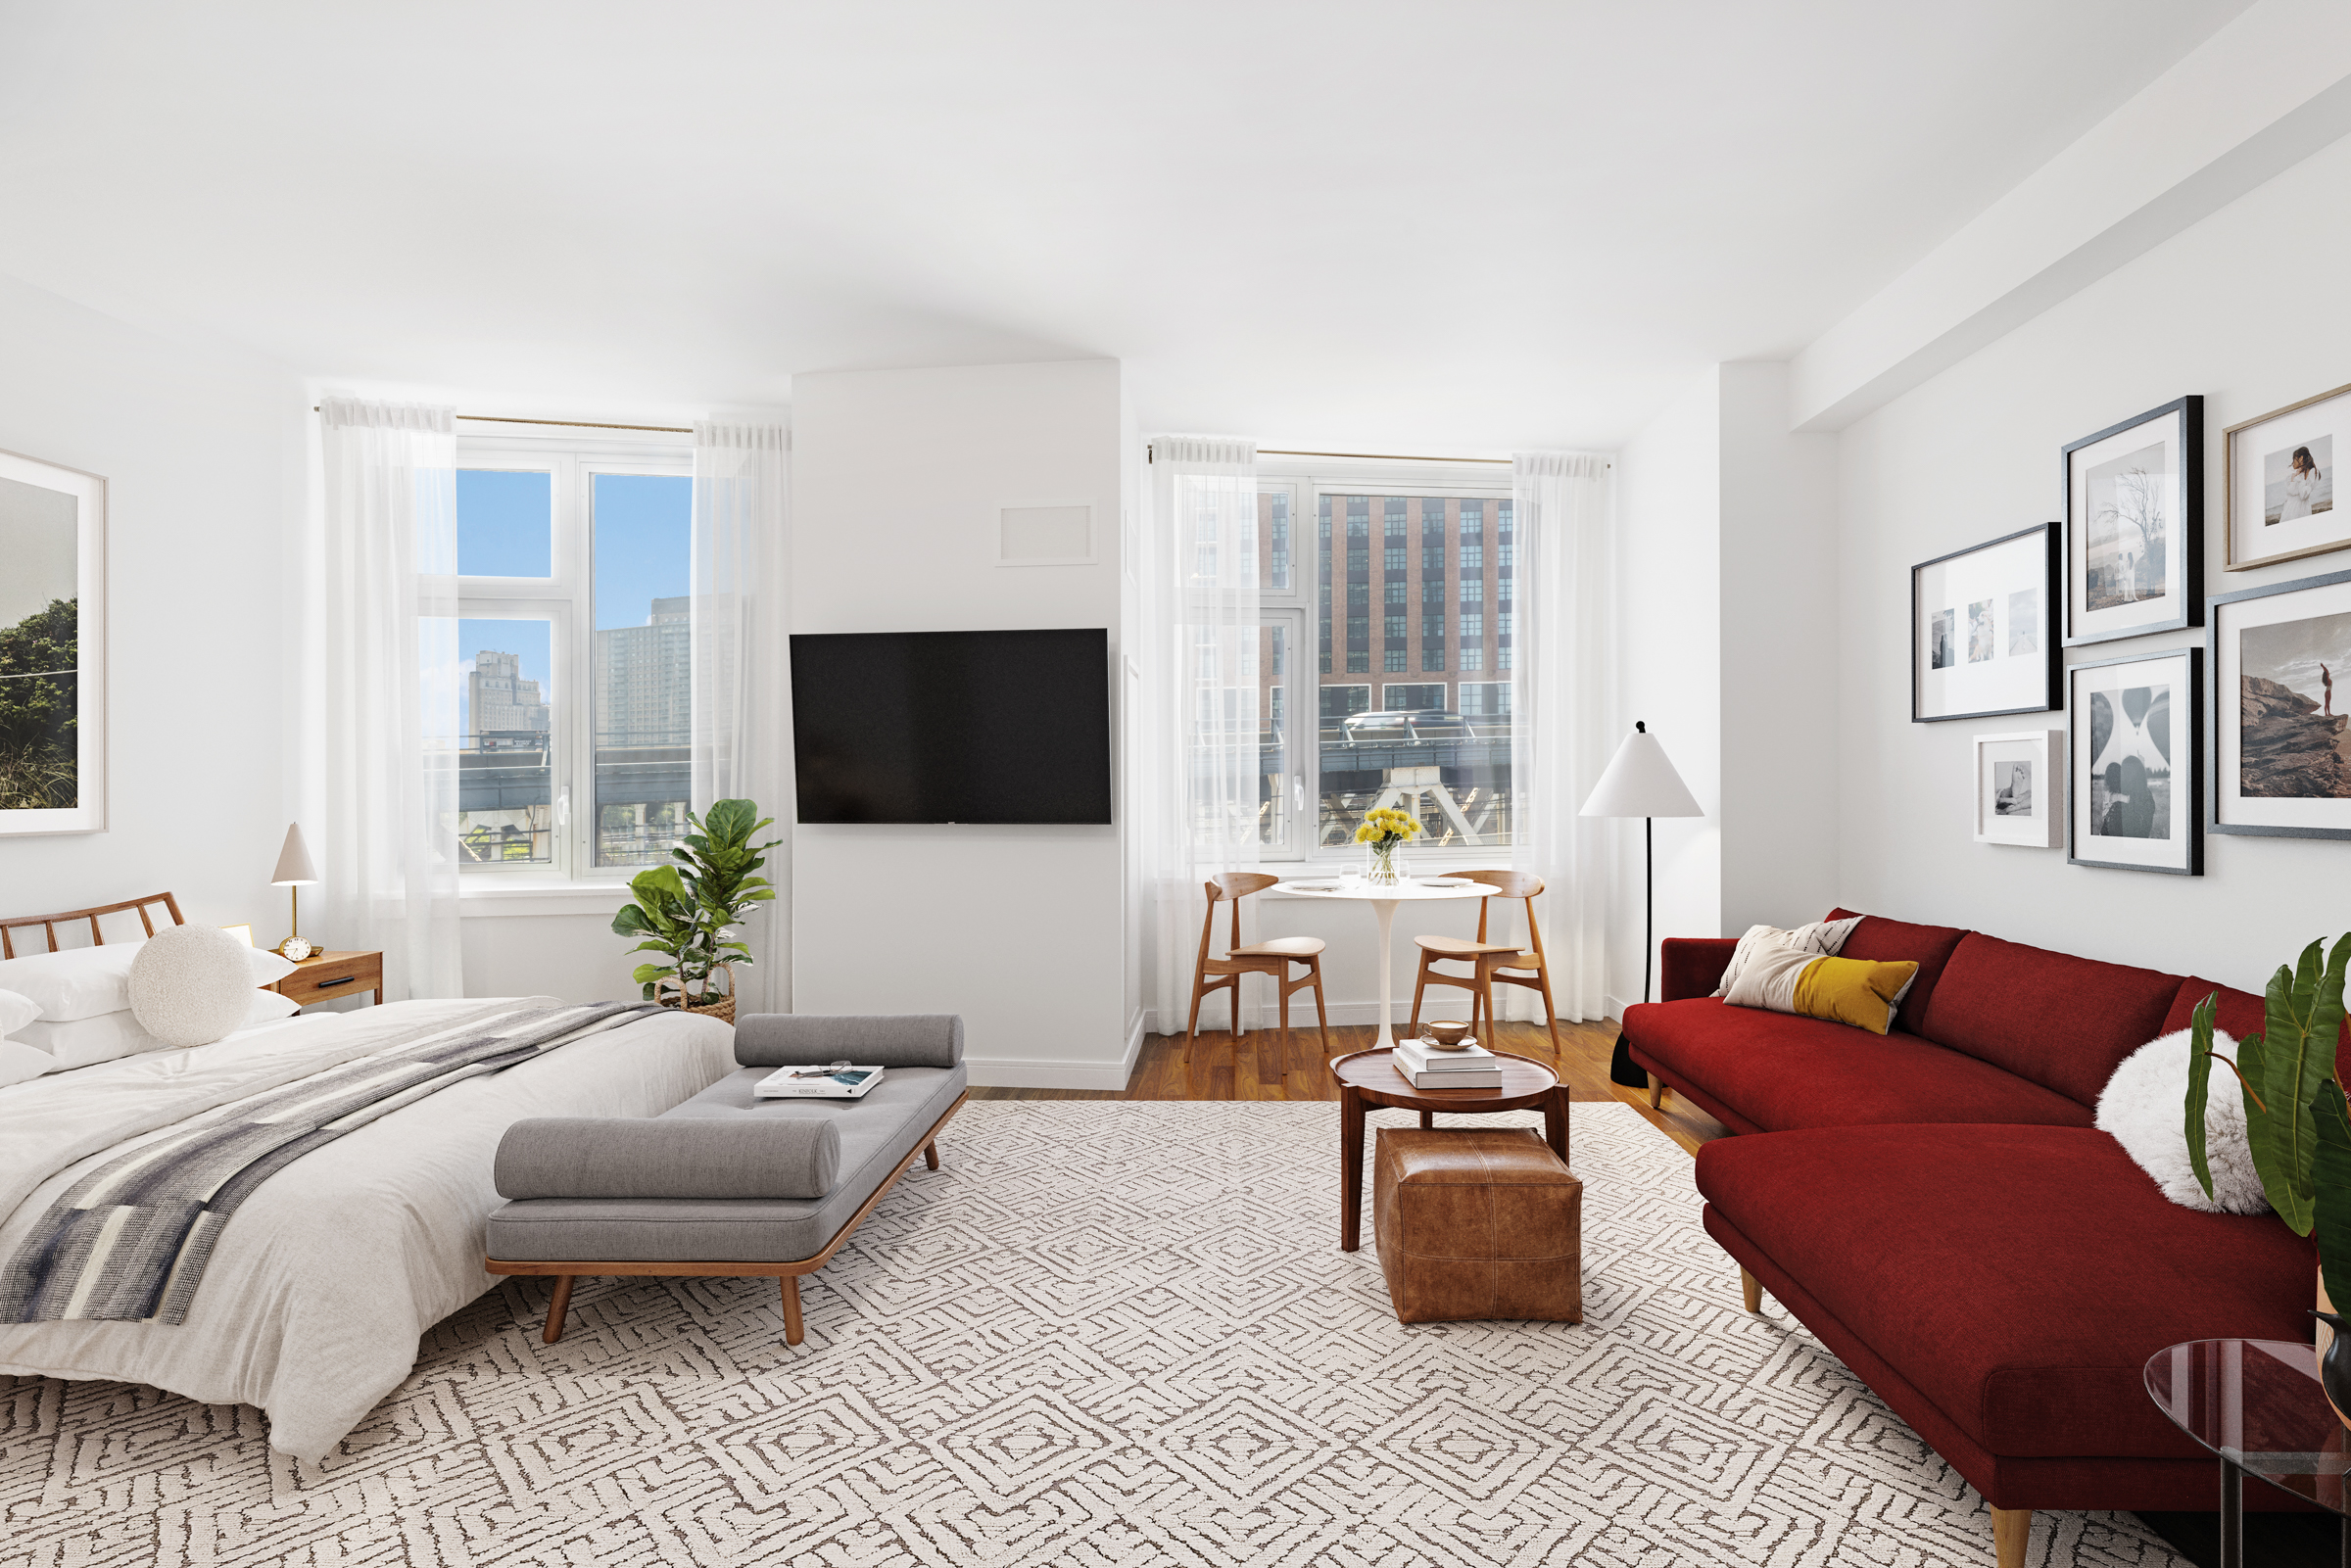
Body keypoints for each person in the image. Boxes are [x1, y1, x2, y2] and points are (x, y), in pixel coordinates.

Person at [2282, 447, 2322, 523]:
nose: (2293, 463)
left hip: (2300, 509)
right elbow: (2291, 491)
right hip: (2290, 509)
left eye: (2294, 459)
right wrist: (2294, 478)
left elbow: (2303, 495)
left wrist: (2297, 479)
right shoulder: (2298, 473)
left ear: (2301, 458)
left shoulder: (2312, 472)